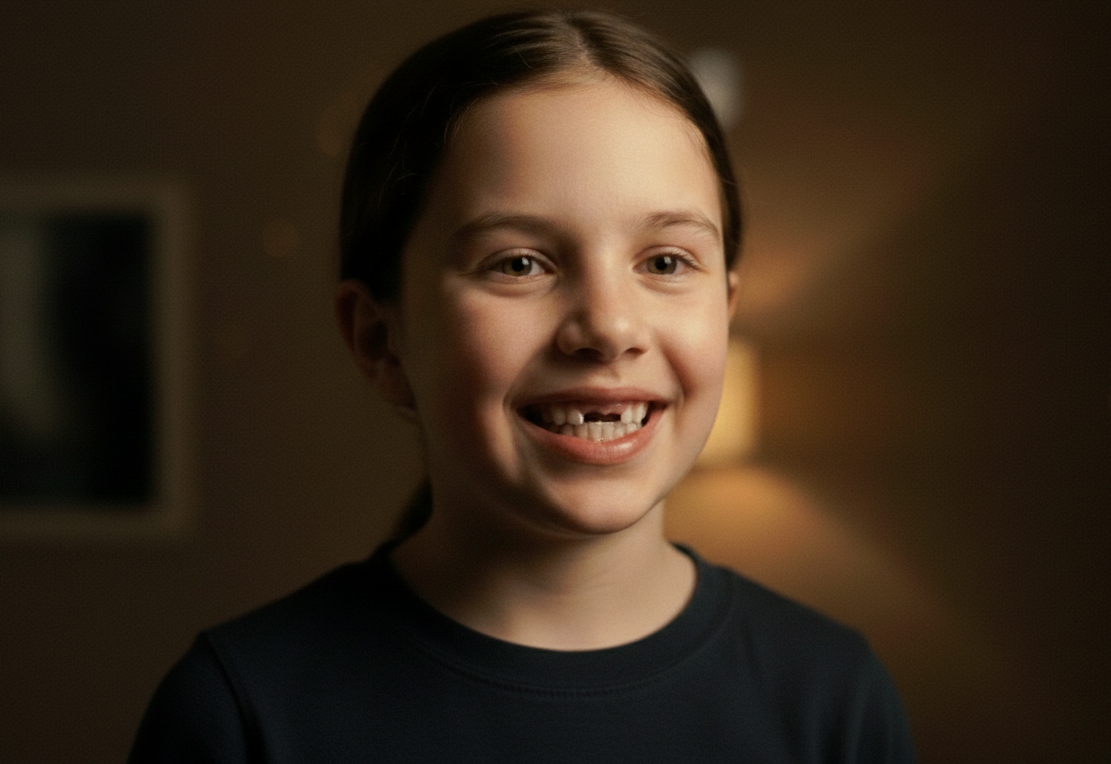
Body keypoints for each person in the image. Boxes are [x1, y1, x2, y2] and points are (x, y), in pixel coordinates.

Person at [130, 9, 916, 762]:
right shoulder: (240, 714)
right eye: (519, 264)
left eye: (665, 263)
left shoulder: (831, 698)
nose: (608, 328)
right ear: (380, 339)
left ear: (725, 309)